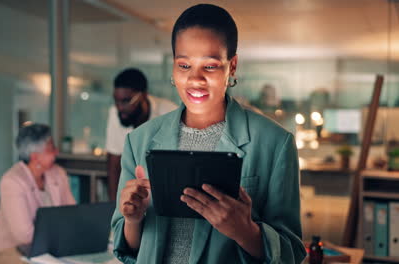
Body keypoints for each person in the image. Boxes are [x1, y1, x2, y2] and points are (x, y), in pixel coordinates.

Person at [111, 4, 306, 264]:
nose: (195, 79)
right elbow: (128, 249)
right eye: (184, 65)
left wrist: (245, 231)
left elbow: (291, 253)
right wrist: (133, 220)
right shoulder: (139, 141)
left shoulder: (275, 144)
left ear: (232, 66)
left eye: (210, 66)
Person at [0, 124, 76, 255]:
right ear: (35, 157)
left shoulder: (58, 173)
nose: (57, 152)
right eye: (51, 148)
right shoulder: (12, 181)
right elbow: (25, 236)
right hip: (7, 255)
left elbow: (73, 214)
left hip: (46, 254)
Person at [106, 68, 177, 201]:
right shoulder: (116, 114)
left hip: (166, 188)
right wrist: (114, 206)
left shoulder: (170, 113)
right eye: (116, 100)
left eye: (126, 101)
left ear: (143, 95)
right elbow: (114, 163)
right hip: (133, 189)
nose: (120, 107)